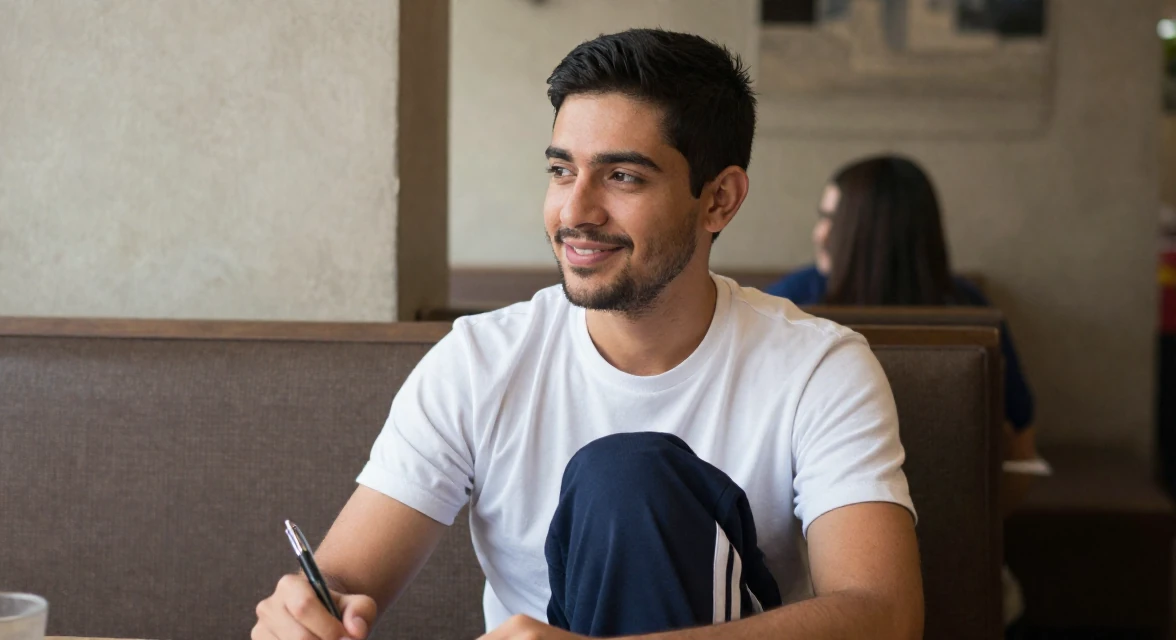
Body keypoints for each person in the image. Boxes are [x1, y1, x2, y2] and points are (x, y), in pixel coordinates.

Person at [253, 30, 923, 640]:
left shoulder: (816, 367)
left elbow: (884, 615)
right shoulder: (480, 362)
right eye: (561, 170)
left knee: (627, 476)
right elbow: (345, 583)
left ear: (718, 199)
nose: (574, 211)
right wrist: (308, 613)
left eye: (623, 176)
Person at [764, 155, 1039, 629]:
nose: (819, 233)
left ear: (864, 228)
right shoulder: (785, 310)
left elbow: (1019, 454)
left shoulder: (795, 308)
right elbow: (1020, 464)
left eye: (831, 218)